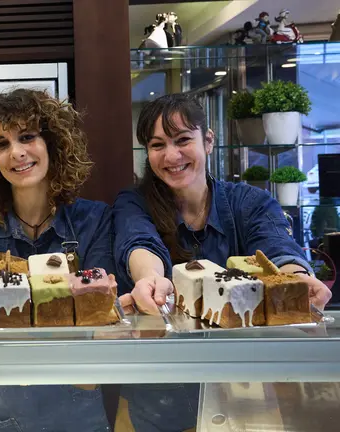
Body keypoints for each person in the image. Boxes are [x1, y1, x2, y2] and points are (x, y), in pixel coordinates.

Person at [112, 94, 332, 431]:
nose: (171, 156)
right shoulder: (133, 202)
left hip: (244, 381)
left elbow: (275, 247)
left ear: (208, 140)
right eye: (157, 145)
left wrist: (295, 281)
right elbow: (139, 241)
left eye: (183, 139)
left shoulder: (248, 202)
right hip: (160, 388)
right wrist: (151, 279)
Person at [0, 88, 113, 432]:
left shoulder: (93, 220)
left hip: (77, 396)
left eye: (27, 137)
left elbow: (101, 315)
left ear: (52, 143)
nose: (17, 153)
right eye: (1, 144)